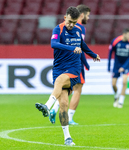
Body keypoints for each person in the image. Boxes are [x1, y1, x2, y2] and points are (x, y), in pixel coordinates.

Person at [35, 6, 100, 146]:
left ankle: (47, 105)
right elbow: (53, 44)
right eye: (70, 21)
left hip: (74, 69)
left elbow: (82, 45)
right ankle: (67, 137)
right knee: (63, 104)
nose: (71, 25)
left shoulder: (77, 31)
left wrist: (93, 55)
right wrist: (72, 48)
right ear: (65, 18)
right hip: (59, 68)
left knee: (60, 81)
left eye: (74, 22)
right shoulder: (58, 29)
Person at [49, 4, 91, 125]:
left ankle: (54, 108)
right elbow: (79, 47)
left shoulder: (65, 27)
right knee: (77, 88)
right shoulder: (80, 28)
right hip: (74, 63)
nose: (88, 18)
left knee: (67, 89)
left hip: (65, 62)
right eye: (87, 15)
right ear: (81, 15)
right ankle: (69, 117)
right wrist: (85, 62)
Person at [108, 28, 129, 108]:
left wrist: (124, 67)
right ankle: (116, 94)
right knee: (113, 84)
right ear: (124, 34)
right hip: (116, 65)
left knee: (124, 82)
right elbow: (110, 54)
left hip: (126, 65)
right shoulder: (115, 41)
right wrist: (109, 66)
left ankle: (121, 102)